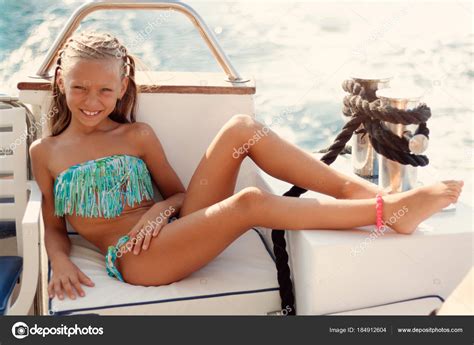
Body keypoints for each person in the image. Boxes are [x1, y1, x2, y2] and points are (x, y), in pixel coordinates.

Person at [29, 31, 463, 301]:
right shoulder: (45, 152)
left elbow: (178, 194)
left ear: (122, 86)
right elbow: (51, 224)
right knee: (249, 202)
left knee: (240, 128)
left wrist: (161, 210)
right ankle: (389, 215)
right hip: (136, 259)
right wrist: (60, 261)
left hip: (177, 226)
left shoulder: (135, 135)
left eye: (105, 90)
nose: (92, 101)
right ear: (60, 84)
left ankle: (362, 194)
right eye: (79, 88)